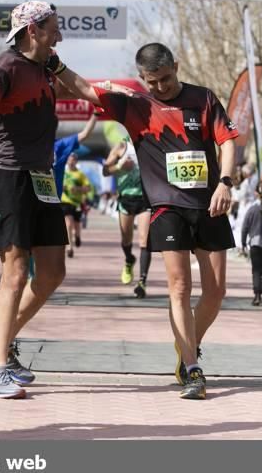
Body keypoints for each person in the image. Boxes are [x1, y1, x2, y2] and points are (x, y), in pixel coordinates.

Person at [0, 1, 111, 399]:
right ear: (33, 30)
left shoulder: (49, 65)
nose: (60, 36)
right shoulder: (5, 67)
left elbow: (88, 92)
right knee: (14, 272)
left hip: (42, 176)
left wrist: (121, 96)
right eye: (54, 30)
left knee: (51, 273)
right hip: (6, 175)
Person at [88, 43, 238, 400]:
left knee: (216, 292)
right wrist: (108, 86)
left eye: (166, 78)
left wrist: (226, 182)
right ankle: (192, 367)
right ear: (142, 78)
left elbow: (228, 141)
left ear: (177, 66)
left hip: (208, 204)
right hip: (166, 207)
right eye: (151, 82)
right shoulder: (136, 104)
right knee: (180, 288)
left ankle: (186, 344)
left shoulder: (203, 98)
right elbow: (77, 89)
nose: (160, 87)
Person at [103, 136, 152, 298]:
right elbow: (105, 170)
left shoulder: (149, 144)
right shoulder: (122, 146)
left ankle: (142, 282)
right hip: (126, 199)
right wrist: (119, 165)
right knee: (126, 240)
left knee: (144, 240)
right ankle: (129, 259)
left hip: (145, 199)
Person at [60, 153, 91, 258]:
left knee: (77, 224)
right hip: (65, 201)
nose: (71, 161)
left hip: (77, 203)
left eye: (73, 160)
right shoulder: (62, 172)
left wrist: (77, 189)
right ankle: (70, 247)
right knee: (68, 224)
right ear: (67, 161)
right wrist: (60, 187)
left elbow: (88, 188)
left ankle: (77, 236)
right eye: (69, 159)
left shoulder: (80, 174)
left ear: (76, 162)